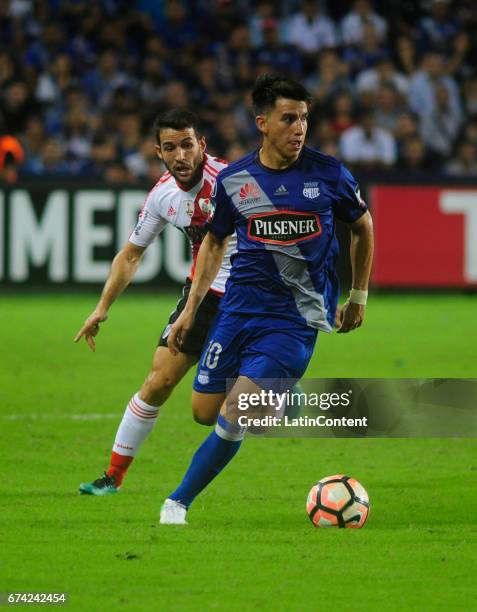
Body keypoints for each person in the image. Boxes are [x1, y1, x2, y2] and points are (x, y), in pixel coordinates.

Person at [159, 74, 374, 525]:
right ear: (262, 123)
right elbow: (214, 245)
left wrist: (358, 294)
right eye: (288, 118)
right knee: (204, 412)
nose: (299, 129)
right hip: (238, 312)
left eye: (304, 119)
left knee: (237, 412)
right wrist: (192, 311)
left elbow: (362, 227)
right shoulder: (237, 180)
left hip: (294, 320)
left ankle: (177, 502)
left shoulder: (329, 173)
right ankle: (286, 400)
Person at [75, 109, 235, 495]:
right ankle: (112, 478)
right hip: (200, 295)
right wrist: (102, 307)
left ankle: (273, 394)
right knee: (158, 381)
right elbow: (131, 255)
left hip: (248, 296)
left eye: (187, 144)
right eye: (170, 148)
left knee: (204, 413)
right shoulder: (162, 195)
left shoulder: (233, 181)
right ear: (158, 152)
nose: (180, 155)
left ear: (202, 145)